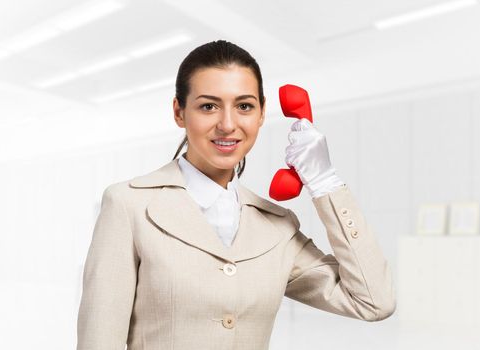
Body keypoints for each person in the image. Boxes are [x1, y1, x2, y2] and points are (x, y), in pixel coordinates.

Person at [76, 40, 396, 350]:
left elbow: (372, 302)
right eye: (208, 106)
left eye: (244, 106)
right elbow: (98, 342)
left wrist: (326, 183)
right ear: (179, 112)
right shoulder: (129, 206)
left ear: (261, 114)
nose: (228, 125)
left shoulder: (276, 228)